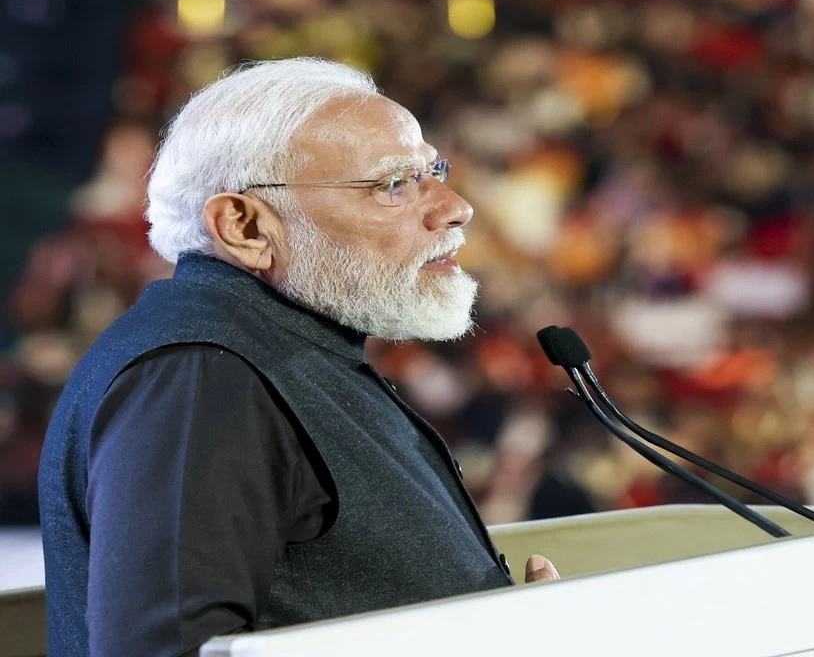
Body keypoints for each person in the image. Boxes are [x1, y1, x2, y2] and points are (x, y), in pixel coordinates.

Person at [38, 58, 561, 657]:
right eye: (394, 184)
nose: (455, 207)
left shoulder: (276, 347)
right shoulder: (200, 376)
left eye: (432, 171)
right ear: (244, 226)